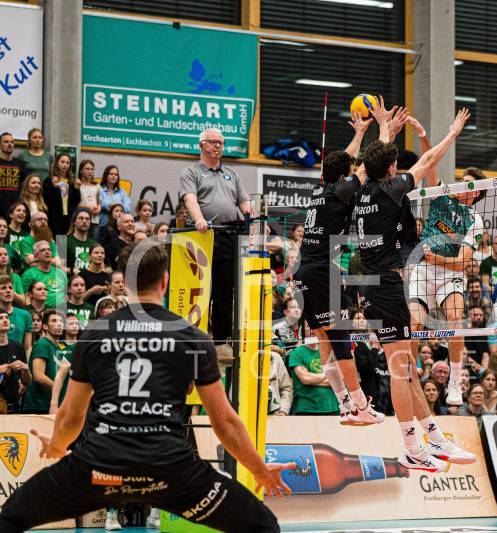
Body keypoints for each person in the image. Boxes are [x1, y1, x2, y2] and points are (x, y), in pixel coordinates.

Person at [0, 242, 295, 532]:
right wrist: (259, 469)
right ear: (164, 281)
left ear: (124, 284)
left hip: (100, 470)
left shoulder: (95, 333)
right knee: (263, 525)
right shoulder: (192, 336)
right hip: (172, 472)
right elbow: (225, 422)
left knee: (10, 518)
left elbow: (70, 419)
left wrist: (57, 446)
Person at [354, 103, 474, 471]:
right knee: (401, 369)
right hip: (385, 285)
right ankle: (411, 447)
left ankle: (433, 437)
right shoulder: (392, 189)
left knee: (406, 367)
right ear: (392, 169)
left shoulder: (361, 187)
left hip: (371, 282)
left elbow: (372, 160)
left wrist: (385, 129)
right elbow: (428, 161)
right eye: (394, 163)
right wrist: (452, 133)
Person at [291, 118, 383, 424]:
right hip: (321, 273)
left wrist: (359, 133)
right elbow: (369, 165)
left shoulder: (322, 188)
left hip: (302, 271)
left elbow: (345, 161)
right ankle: (361, 406)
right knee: (342, 342)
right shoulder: (341, 190)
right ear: (343, 176)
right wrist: (384, 131)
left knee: (323, 338)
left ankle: (344, 404)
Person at [410, 166, 486, 406]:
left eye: (467, 182)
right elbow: (430, 166)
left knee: (455, 318)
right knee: (413, 324)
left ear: (475, 193)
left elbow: (462, 262)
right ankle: (410, 378)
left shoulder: (475, 220)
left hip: (449, 273)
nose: (460, 183)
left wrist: (437, 258)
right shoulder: (442, 195)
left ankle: (454, 381)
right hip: (423, 270)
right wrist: (426, 142)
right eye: (460, 179)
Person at [180, 129, 250, 352]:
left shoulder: (232, 174)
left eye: (221, 142)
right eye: (213, 142)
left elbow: (244, 202)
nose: (218, 146)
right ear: (202, 145)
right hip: (202, 237)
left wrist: (256, 220)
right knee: (199, 291)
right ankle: (192, 339)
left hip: (228, 237)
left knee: (224, 291)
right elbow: (190, 199)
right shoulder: (191, 172)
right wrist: (199, 219)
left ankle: (221, 342)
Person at [21, 309, 66, 413]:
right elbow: (38, 376)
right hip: (39, 405)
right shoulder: (43, 344)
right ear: (45, 326)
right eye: (54, 321)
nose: (59, 324)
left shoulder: (60, 346)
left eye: (61, 321)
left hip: (52, 403)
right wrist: (59, 390)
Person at [288, 336, 340, 416]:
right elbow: (306, 379)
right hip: (307, 408)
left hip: (333, 406)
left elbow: (338, 381)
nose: (312, 331)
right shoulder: (296, 353)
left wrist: (312, 380)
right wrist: (328, 373)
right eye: (309, 328)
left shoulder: (328, 350)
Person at [21, 240, 68, 309]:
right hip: (41, 311)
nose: (47, 252)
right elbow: (27, 298)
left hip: (61, 310)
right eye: (43, 250)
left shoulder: (61, 273)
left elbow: (66, 295)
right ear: (36, 257)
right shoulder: (29, 274)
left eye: (49, 250)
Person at [43, 153, 80, 235]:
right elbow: (47, 199)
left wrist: (76, 189)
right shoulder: (50, 180)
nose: (65, 165)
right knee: (53, 240)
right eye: (62, 162)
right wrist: (55, 187)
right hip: (54, 216)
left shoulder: (71, 181)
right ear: (57, 163)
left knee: (63, 241)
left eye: (67, 163)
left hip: (67, 217)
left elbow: (76, 201)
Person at [0, 310, 29, 413]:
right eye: (1, 318)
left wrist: (26, 370)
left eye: (7, 317)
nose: (5, 320)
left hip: (14, 407)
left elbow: (27, 382)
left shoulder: (18, 346)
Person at [0, 275, 32, 356]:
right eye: (3, 288)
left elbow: (27, 348)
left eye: (10, 288)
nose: (8, 291)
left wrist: (26, 363)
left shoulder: (25, 315)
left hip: (18, 360)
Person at [0, 132, 24, 218]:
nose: (10, 144)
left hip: (14, 208)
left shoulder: (20, 164)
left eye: (12, 142)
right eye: (6, 142)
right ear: (0, 145)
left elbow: (24, 187)